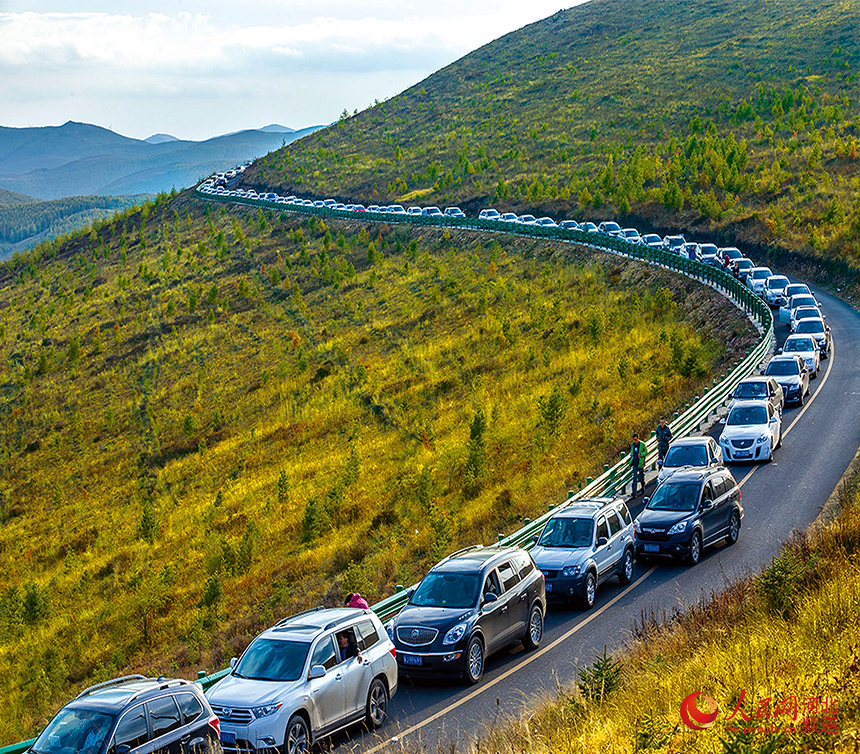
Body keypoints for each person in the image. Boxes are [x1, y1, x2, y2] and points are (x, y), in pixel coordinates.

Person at [630, 432, 647, 497]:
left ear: (638, 439)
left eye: (636, 439)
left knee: (641, 477)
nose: (635, 441)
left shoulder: (642, 444)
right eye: (634, 440)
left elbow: (646, 452)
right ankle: (634, 492)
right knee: (634, 478)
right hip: (634, 463)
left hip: (640, 463)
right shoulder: (632, 445)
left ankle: (643, 487)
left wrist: (641, 455)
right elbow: (631, 452)